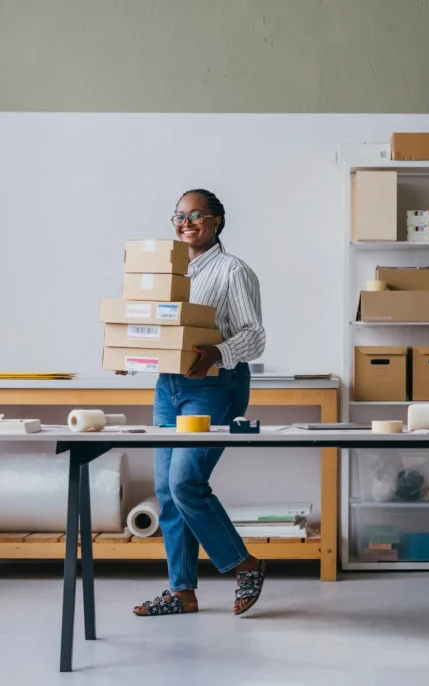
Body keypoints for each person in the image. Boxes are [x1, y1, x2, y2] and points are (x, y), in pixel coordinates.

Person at [132, 189, 267, 618]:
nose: (185, 223)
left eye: (195, 215)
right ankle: (182, 592)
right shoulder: (169, 273)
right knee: (166, 492)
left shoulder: (233, 271)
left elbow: (255, 337)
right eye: (178, 216)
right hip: (168, 387)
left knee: (185, 482)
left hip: (214, 385)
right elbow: (159, 330)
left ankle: (244, 564)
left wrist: (217, 352)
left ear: (217, 222)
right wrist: (131, 354)